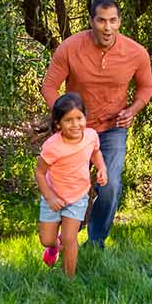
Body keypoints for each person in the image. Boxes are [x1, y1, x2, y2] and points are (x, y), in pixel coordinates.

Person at [40, 0, 152, 249]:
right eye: (101, 20)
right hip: (75, 133)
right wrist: (64, 119)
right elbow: (49, 86)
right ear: (91, 21)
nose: (107, 27)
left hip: (113, 128)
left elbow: (146, 87)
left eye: (113, 20)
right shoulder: (70, 48)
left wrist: (133, 110)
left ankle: (96, 241)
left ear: (119, 22)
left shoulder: (136, 52)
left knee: (110, 184)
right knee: (64, 184)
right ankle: (60, 236)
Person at [36, 93, 108, 277]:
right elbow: (40, 173)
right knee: (47, 239)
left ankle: (69, 280)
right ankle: (54, 247)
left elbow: (96, 152)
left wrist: (102, 168)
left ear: (85, 117)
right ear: (58, 124)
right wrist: (50, 197)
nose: (76, 124)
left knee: (70, 239)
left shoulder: (91, 136)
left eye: (79, 118)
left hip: (77, 196)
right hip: (53, 196)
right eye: (69, 120)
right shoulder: (52, 146)